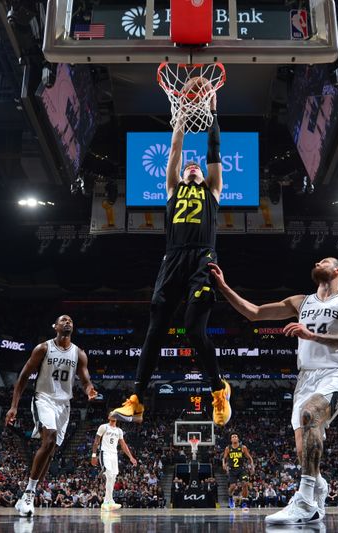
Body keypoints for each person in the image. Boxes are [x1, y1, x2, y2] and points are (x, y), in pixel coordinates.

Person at [110, 84, 231, 426]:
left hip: (202, 259)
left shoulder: (214, 189)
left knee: (194, 328)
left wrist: (212, 112)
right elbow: (176, 149)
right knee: (156, 329)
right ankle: (136, 398)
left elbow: (214, 149)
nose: (192, 166)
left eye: (197, 166)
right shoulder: (172, 188)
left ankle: (218, 391)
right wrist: (179, 117)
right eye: (188, 166)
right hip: (172, 258)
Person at [210, 257, 338, 524]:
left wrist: (312, 335)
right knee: (303, 451)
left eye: (324, 260)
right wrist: (223, 286)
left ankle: (304, 502)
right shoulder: (301, 302)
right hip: (306, 378)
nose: (317, 262)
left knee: (310, 414)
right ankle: (318, 489)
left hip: (336, 373)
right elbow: (254, 313)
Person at [5, 315, 98, 517]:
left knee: (51, 450)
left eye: (71, 321)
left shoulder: (79, 354)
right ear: (55, 326)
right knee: (49, 440)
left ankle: (27, 495)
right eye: (63, 320)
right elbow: (23, 377)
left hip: (64, 405)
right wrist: (13, 406)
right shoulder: (43, 349)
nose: (67, 323)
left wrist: (90, 390)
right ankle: (29, 493)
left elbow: (85, 379)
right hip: (44, 398)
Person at [90, 415, 137, 511]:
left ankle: (109, 500)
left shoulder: (119, 431)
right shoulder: (103, 427)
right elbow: (96, 441)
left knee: (113, 477)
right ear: (108, 416)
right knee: (109, 475)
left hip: (114, 454)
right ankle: (106, 501)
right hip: (105, 453)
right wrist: (94, 455)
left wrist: (131, 457)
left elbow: (123, 445)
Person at [222, 433, 254, 508]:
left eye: (236, 436)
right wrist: (224, 464)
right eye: (233, 437)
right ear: (231, 440)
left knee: (245, 484)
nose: (234, 437)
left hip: (241, 469)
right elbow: (224, 458)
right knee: (233, 486)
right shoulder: (228, 448)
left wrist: (252, 466)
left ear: (238, 439)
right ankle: (230, 497)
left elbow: (249, 457)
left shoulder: (243, 447)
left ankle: (244, 502)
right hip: (232, 470)